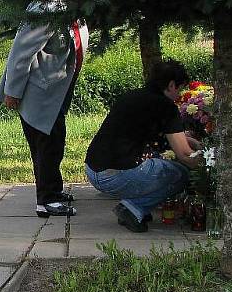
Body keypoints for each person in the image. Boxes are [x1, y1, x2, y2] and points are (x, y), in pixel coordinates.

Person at [85, 59, 201, 232]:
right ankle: (133, 208)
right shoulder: (166, 107)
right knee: (179, 174)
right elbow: (185, 155)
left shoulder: (131, 96)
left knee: (154, 160)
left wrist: (188, 138)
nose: (179, 94)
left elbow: (142, 129)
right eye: (180, 88)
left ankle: (139, 205)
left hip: (93, 170)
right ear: (171, 85)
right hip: (115, 176)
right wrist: (211, 165)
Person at [0, 3, 88, 217]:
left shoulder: (75, 8)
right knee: (46, 143)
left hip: (57, 89)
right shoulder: (46, 9)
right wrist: (13, 92)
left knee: (54, 141)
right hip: (39, 92)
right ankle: (47, 200)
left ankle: (53, 190)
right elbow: (21, 53)